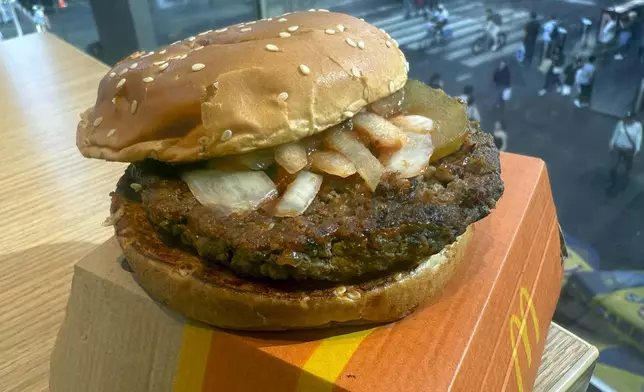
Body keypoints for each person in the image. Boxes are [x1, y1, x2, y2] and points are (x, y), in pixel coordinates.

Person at [608, 112, 642, 186]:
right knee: (614, 164)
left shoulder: (638, 126)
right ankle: (612, 179)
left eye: (629, 118)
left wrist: (637, 148)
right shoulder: (621, 124)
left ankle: (626, 175)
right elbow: (616, 133)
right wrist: (611, 143)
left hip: (628, 149)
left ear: (633, 118)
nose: (627, 120)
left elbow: (638, 137)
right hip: (618, 147)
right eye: (626, 118)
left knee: (628, 163)